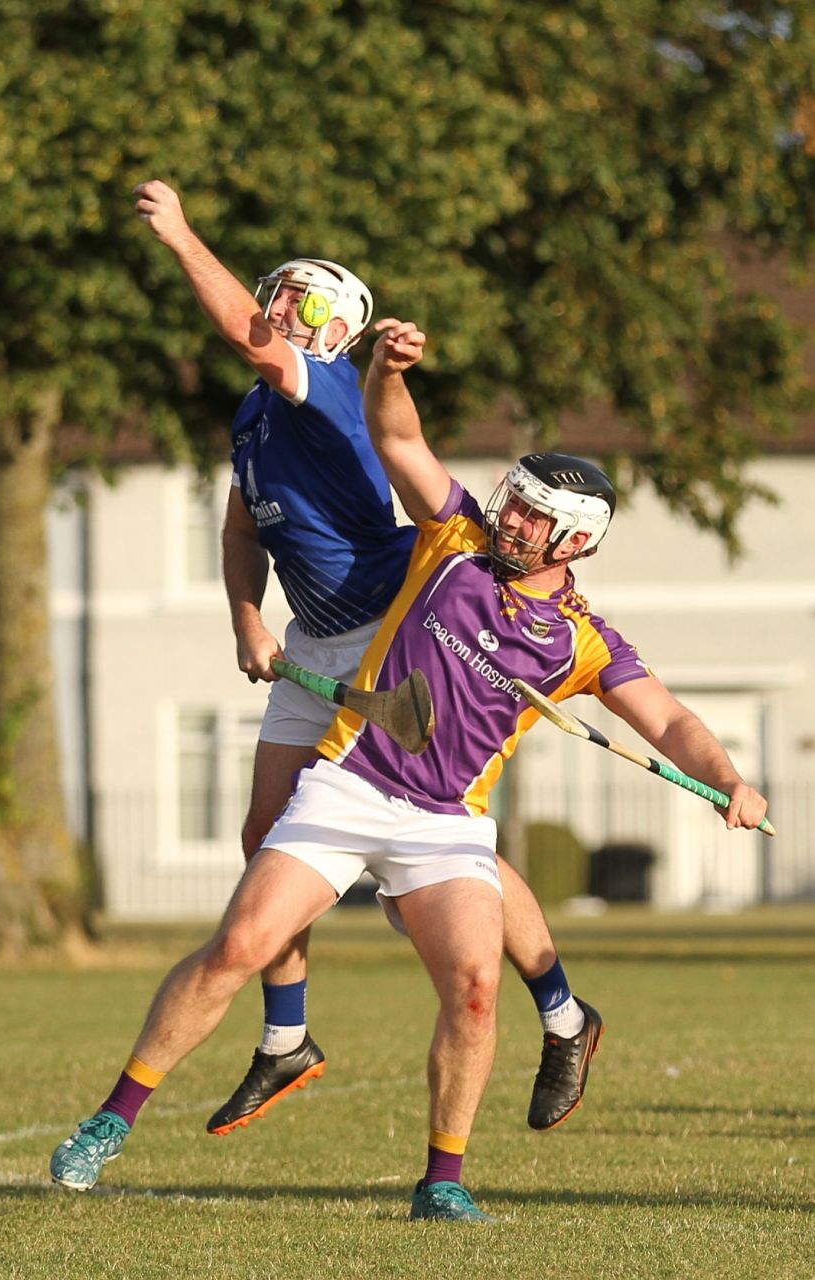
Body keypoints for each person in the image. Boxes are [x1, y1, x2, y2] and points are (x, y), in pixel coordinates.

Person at [49, 318, 769, 1221]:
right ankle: (113, 1120)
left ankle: (443, 1181)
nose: (510, 516)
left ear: (574, 543)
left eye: (533, 516)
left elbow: (666, 717)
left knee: (471, 988)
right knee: (241, 944)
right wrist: (387, 370)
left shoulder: (580, 643)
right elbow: (398, 436)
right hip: (347, 786)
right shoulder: (453, 542)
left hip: (445, 825)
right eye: (513, 499)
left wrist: (730, 780)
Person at [129, 179, 606, 1141]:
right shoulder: (257, 412)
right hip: (314, 636)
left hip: (391, 627)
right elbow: (240, 524)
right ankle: (286, 1040)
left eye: (291, 300)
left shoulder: (323, 384)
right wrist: (243, 620)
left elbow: (238, 330)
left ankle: (561, 1013)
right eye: (274, 291)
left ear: (328, 324)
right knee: (265, 836)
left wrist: (179, 234)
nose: (271, 307)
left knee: (439, 843)